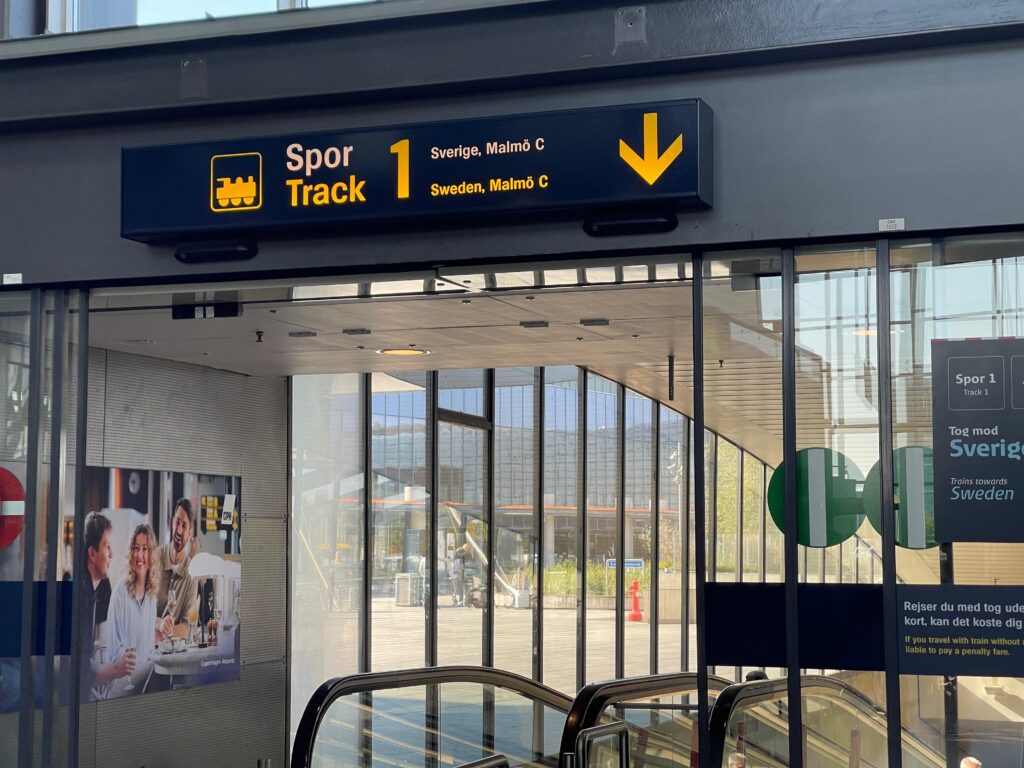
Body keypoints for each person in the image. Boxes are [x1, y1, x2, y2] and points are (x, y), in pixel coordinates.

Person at [108, 523, 171, 696]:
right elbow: (114, 651)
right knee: (161, 669)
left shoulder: (151, 597)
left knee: (165, 672)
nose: (140, 555)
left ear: (151, 555)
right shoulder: (121, 591)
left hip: (142, 678)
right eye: (136, 548)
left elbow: (146, 646)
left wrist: (161, 632)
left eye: (145, 549)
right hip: (121, 679)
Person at [81, 511, 134, 700]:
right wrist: (115, 669)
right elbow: (77, 674)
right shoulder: (82, 597)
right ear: (92, 553)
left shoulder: (91, 592)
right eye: (107, 546)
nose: (112, 554)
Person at [153, 498, 200, 639]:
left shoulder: (192, 572)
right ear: (172, 522)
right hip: (147, 647)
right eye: (177, 522)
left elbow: (188, 626)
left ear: (190, 532)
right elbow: (139, 612)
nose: (179, 530)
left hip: (174, 651)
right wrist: (159, 623)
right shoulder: (155, 557)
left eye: (184, 525)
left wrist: (162, 633)